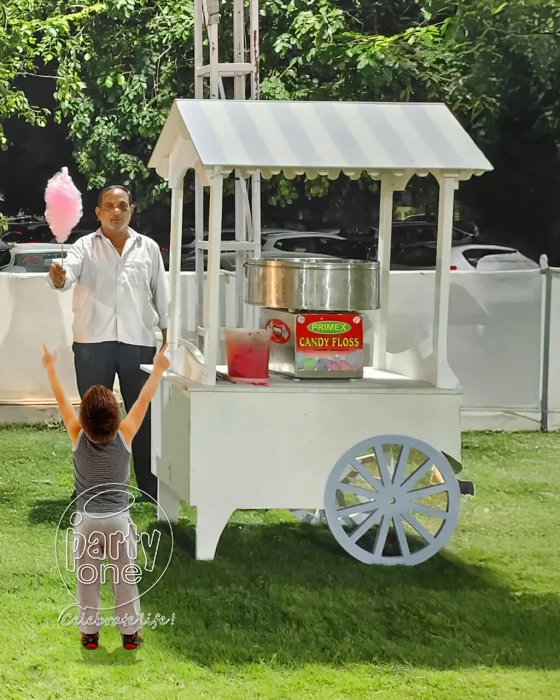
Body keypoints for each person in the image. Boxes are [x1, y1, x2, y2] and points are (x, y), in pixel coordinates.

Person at [42, 343, 171, 650]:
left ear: (84, 419)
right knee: (124, 579)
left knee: (88, 580)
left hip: (86, 522)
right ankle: (129, 634)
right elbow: (143, 398)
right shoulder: (125, 434)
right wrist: (159, 368)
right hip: (117, 522)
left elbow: (61, 400)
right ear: (116, 416)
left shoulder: (76, 434)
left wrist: (50, 367)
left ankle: (89, 634)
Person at [48, 185, 169, 502]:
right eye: (109, 206)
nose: (117, 211)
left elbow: (162, 295)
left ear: (132, 210)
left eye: (123, 205)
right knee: (92, 420)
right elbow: (66, 277)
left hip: (138, 342)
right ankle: (90, 486)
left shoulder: (149, 249)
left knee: (143, 417)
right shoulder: (83, 247)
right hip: (92, 342)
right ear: (98, 212)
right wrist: (59, 277)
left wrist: (168, 336)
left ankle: (149, 488)